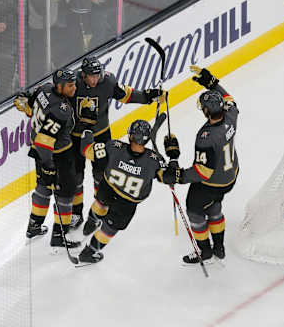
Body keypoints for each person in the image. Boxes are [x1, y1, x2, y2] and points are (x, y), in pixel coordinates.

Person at [68, 55, 165, 230]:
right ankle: (76, 213)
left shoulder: (108, 82)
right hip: (76, 136)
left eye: (98, 75)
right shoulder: (72, 83)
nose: (95, 79)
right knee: (76, 177)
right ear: (83, 75)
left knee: (102, 175)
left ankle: (100, 211)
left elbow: (126, 95)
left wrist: (147, 96)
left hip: (102, 133)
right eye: (92, 76)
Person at [160, 66, 239, 264]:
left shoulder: (206, 138)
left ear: (206, 111)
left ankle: (205, 251)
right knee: (214, 205)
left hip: (213, 182)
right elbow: (231, 100)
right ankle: (219, 247)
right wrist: (213, 84)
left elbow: (201, 172)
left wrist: (177, 174)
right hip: (230, 175)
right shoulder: (230, 115)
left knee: (195, 210)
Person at [74, 119, 170, 265]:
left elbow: (87, 150)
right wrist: (173, 156)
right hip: (127, 203)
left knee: (100, 203)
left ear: (130, 135)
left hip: (107, 188)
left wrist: (87, 132)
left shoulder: (114, 146)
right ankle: (89, 252)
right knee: (109, 228)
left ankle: (91, 223)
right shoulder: (155, 161)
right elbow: (169, 178)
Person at [13, 68, 79, 249]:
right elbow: (45, 141)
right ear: (60, 86)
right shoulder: (61, 110)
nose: (75, 88)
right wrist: (49, 164)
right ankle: (60, 235)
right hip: (57, 155)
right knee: (66, 194)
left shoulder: (44, 89)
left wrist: (24, 100)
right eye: (71, 85)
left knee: (43, 187)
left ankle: (34, 226)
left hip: (37, 150)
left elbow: (26, 106)